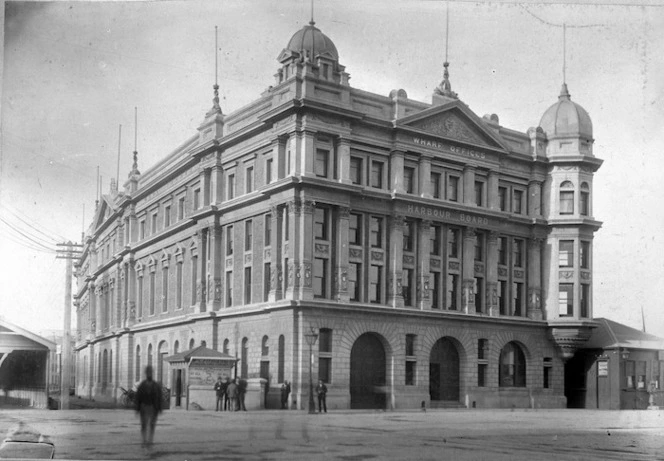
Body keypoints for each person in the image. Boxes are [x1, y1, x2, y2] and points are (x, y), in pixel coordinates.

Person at [135, 365, 162, 447]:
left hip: (153, 407)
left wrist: (159, 407)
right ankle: (144, 440)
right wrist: (137, 408)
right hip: (144, 406)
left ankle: (150, 440)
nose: (149, 374)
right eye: (148, 372)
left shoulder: (156, 385)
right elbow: (138, 397)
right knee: (144, 424)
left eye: (150, 372)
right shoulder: (142, 385)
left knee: (152, 424)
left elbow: (159, 397)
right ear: (146, 373)